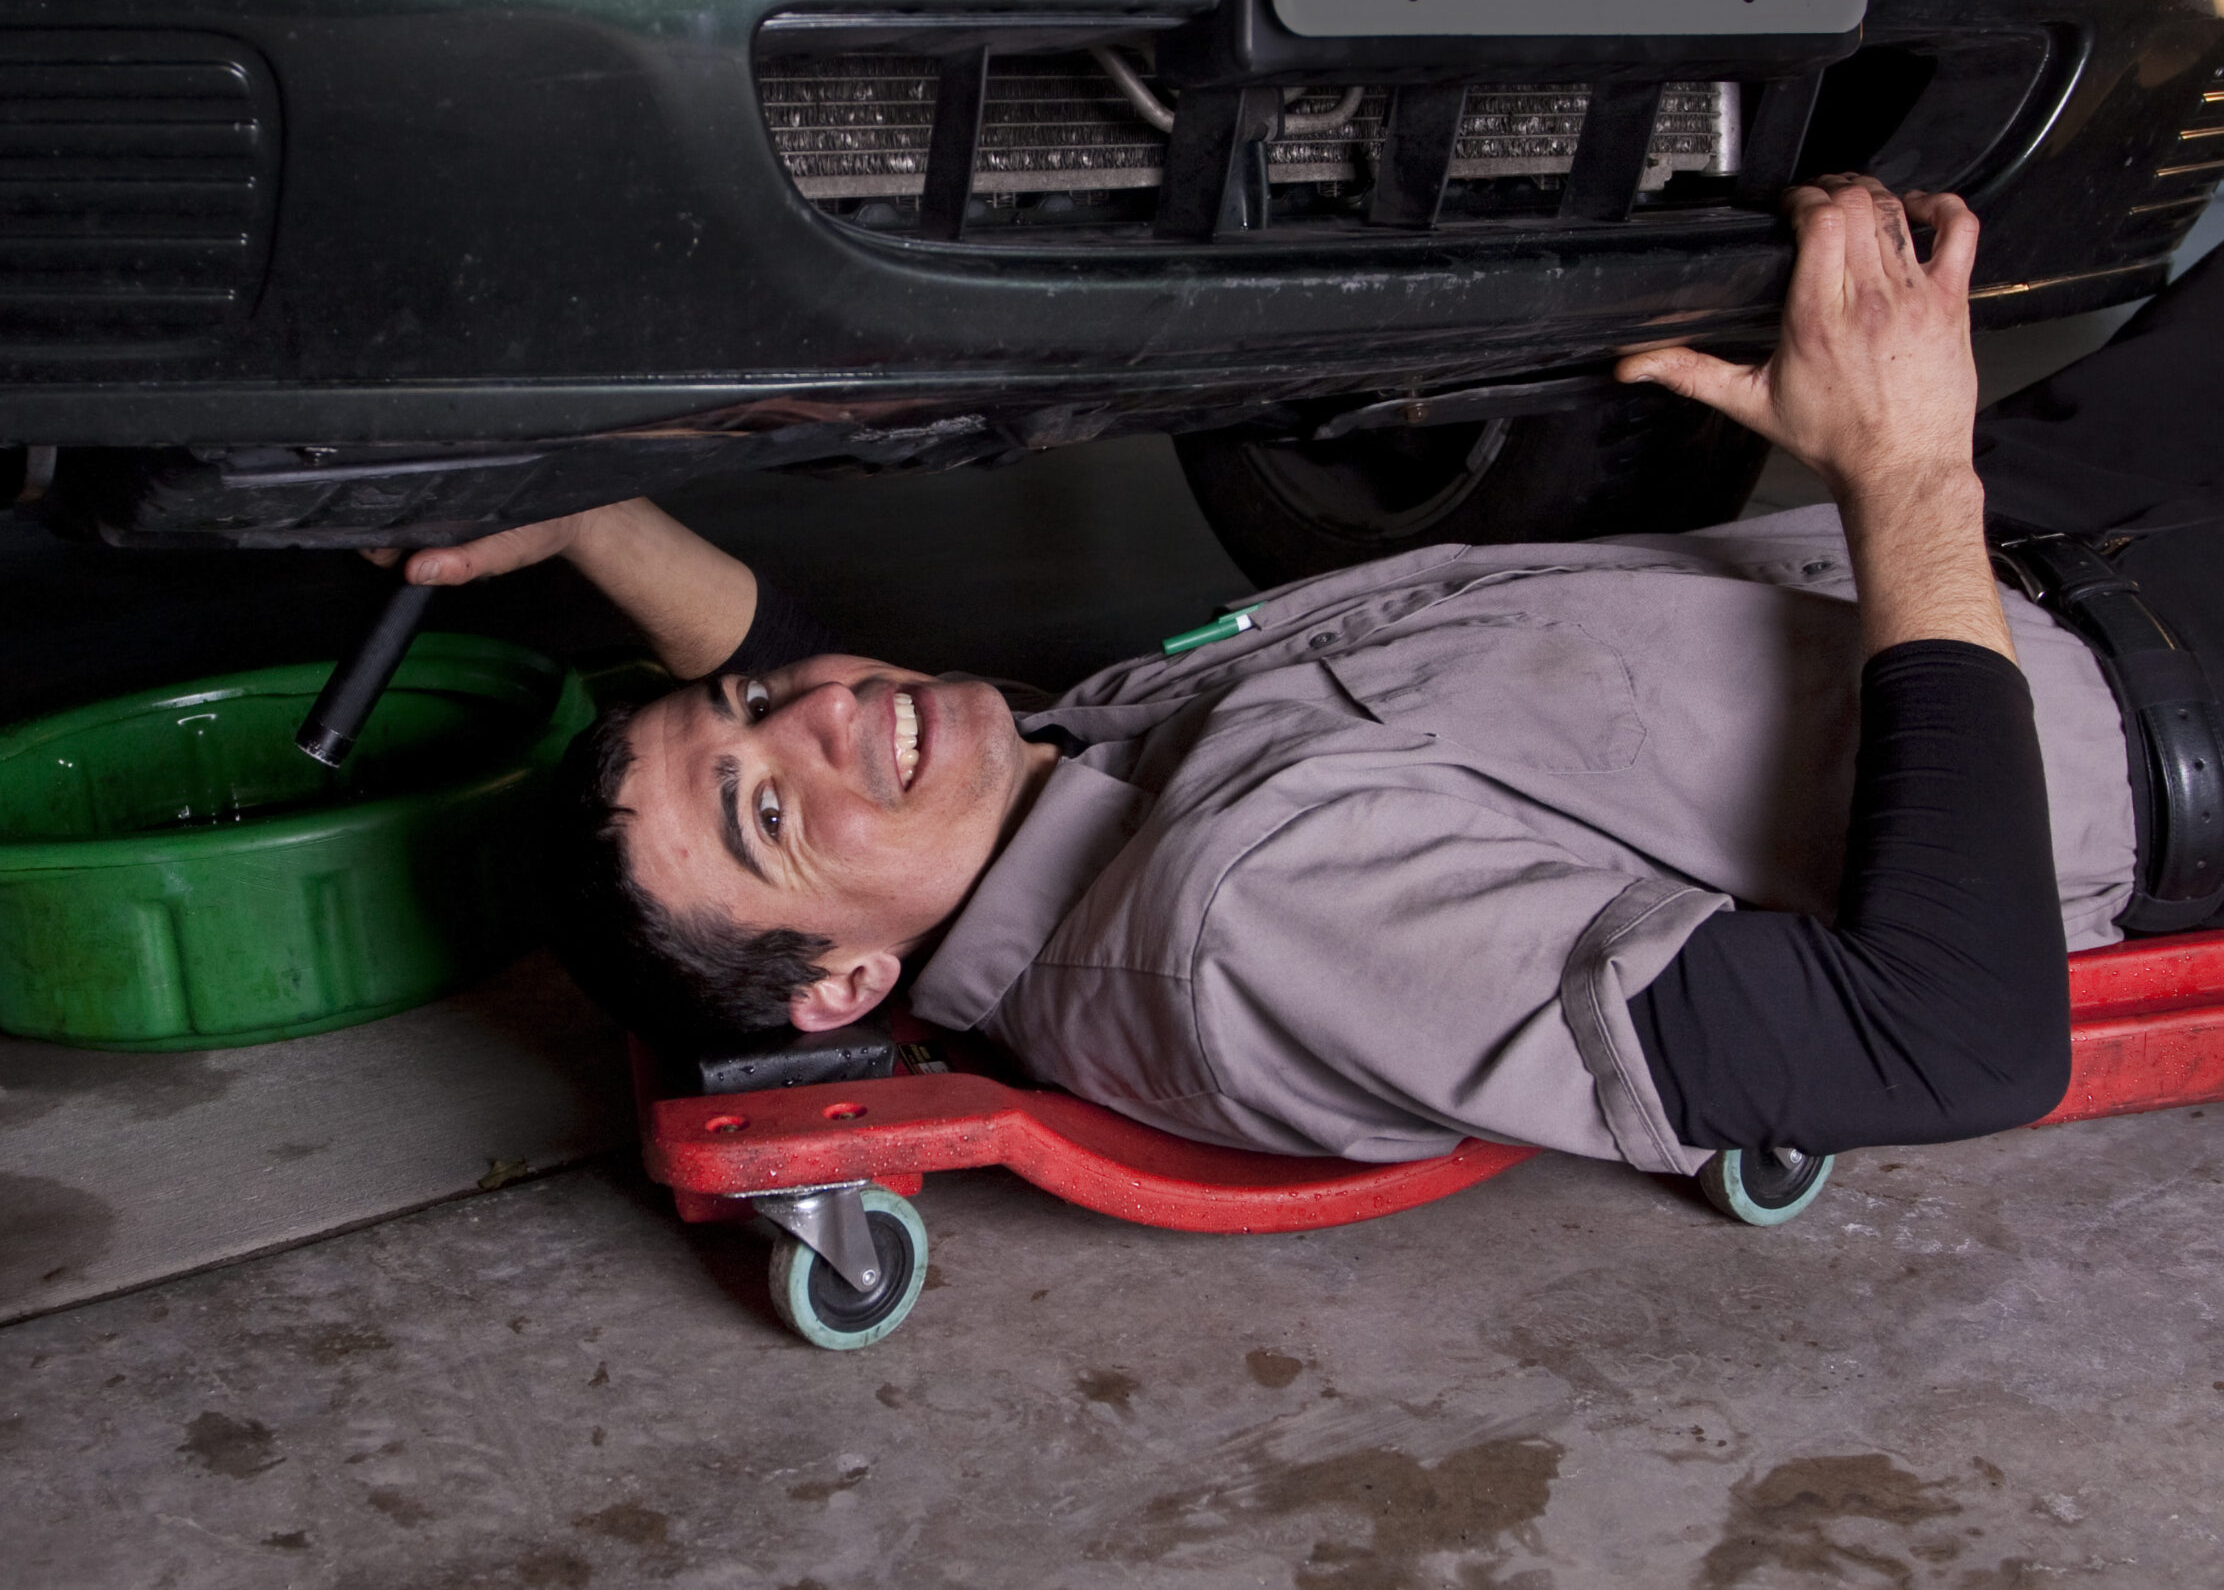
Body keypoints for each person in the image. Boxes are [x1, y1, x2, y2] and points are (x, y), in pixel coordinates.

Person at [381, 176, 2222, 1178]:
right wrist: (1905, 471)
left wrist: (588, 516)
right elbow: (1945, 1044)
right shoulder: (1247, 931)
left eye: (752, 709)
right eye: (769, 812)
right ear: (849, 985)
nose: (819, 714)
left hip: (2009, 535)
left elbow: (797, 685)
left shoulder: (1056, 791)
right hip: (2140, 678)